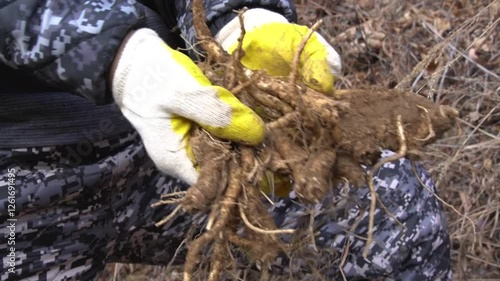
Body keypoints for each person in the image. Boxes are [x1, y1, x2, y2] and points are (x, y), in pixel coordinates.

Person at [0, 1, 452, 280]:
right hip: (18, 186)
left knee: (393, 207)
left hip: (187, 113)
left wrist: (239, 17)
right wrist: (115, 54)